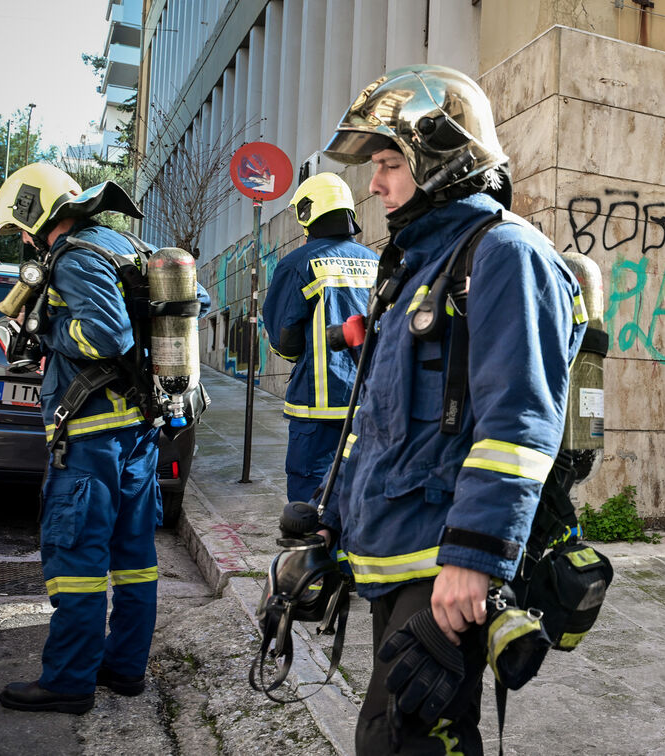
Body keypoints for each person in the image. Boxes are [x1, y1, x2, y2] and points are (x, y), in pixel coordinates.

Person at [315, 65, 586, 754]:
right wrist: (330, 525)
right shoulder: (412, 269)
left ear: (439, 153)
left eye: (385, 163)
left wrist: (474, 558)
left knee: (405, 740)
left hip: (445, 567)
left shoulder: (504, 254)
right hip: (397, 557)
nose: (373, 185)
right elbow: (375, 426)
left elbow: (519, 424)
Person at [0, 164, 208, 714]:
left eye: (20, 227)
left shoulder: (75, 256)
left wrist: (41, 333)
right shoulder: (125, 244)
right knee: (134, 558)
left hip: (90, 438)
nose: (22, 239)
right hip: (136, 435)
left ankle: (68, 682)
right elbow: (194, 300)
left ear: (37, 213)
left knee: (76, 562)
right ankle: (124, 669)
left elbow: (106, 334)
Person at [263, 172, 378, 504]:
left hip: (316, 408)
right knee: (360, 490)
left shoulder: (297, 264)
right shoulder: (376, 262)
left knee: (309, 493)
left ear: (306, 213)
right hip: (369, 402)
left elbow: (284, 339)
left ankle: (312, 553)